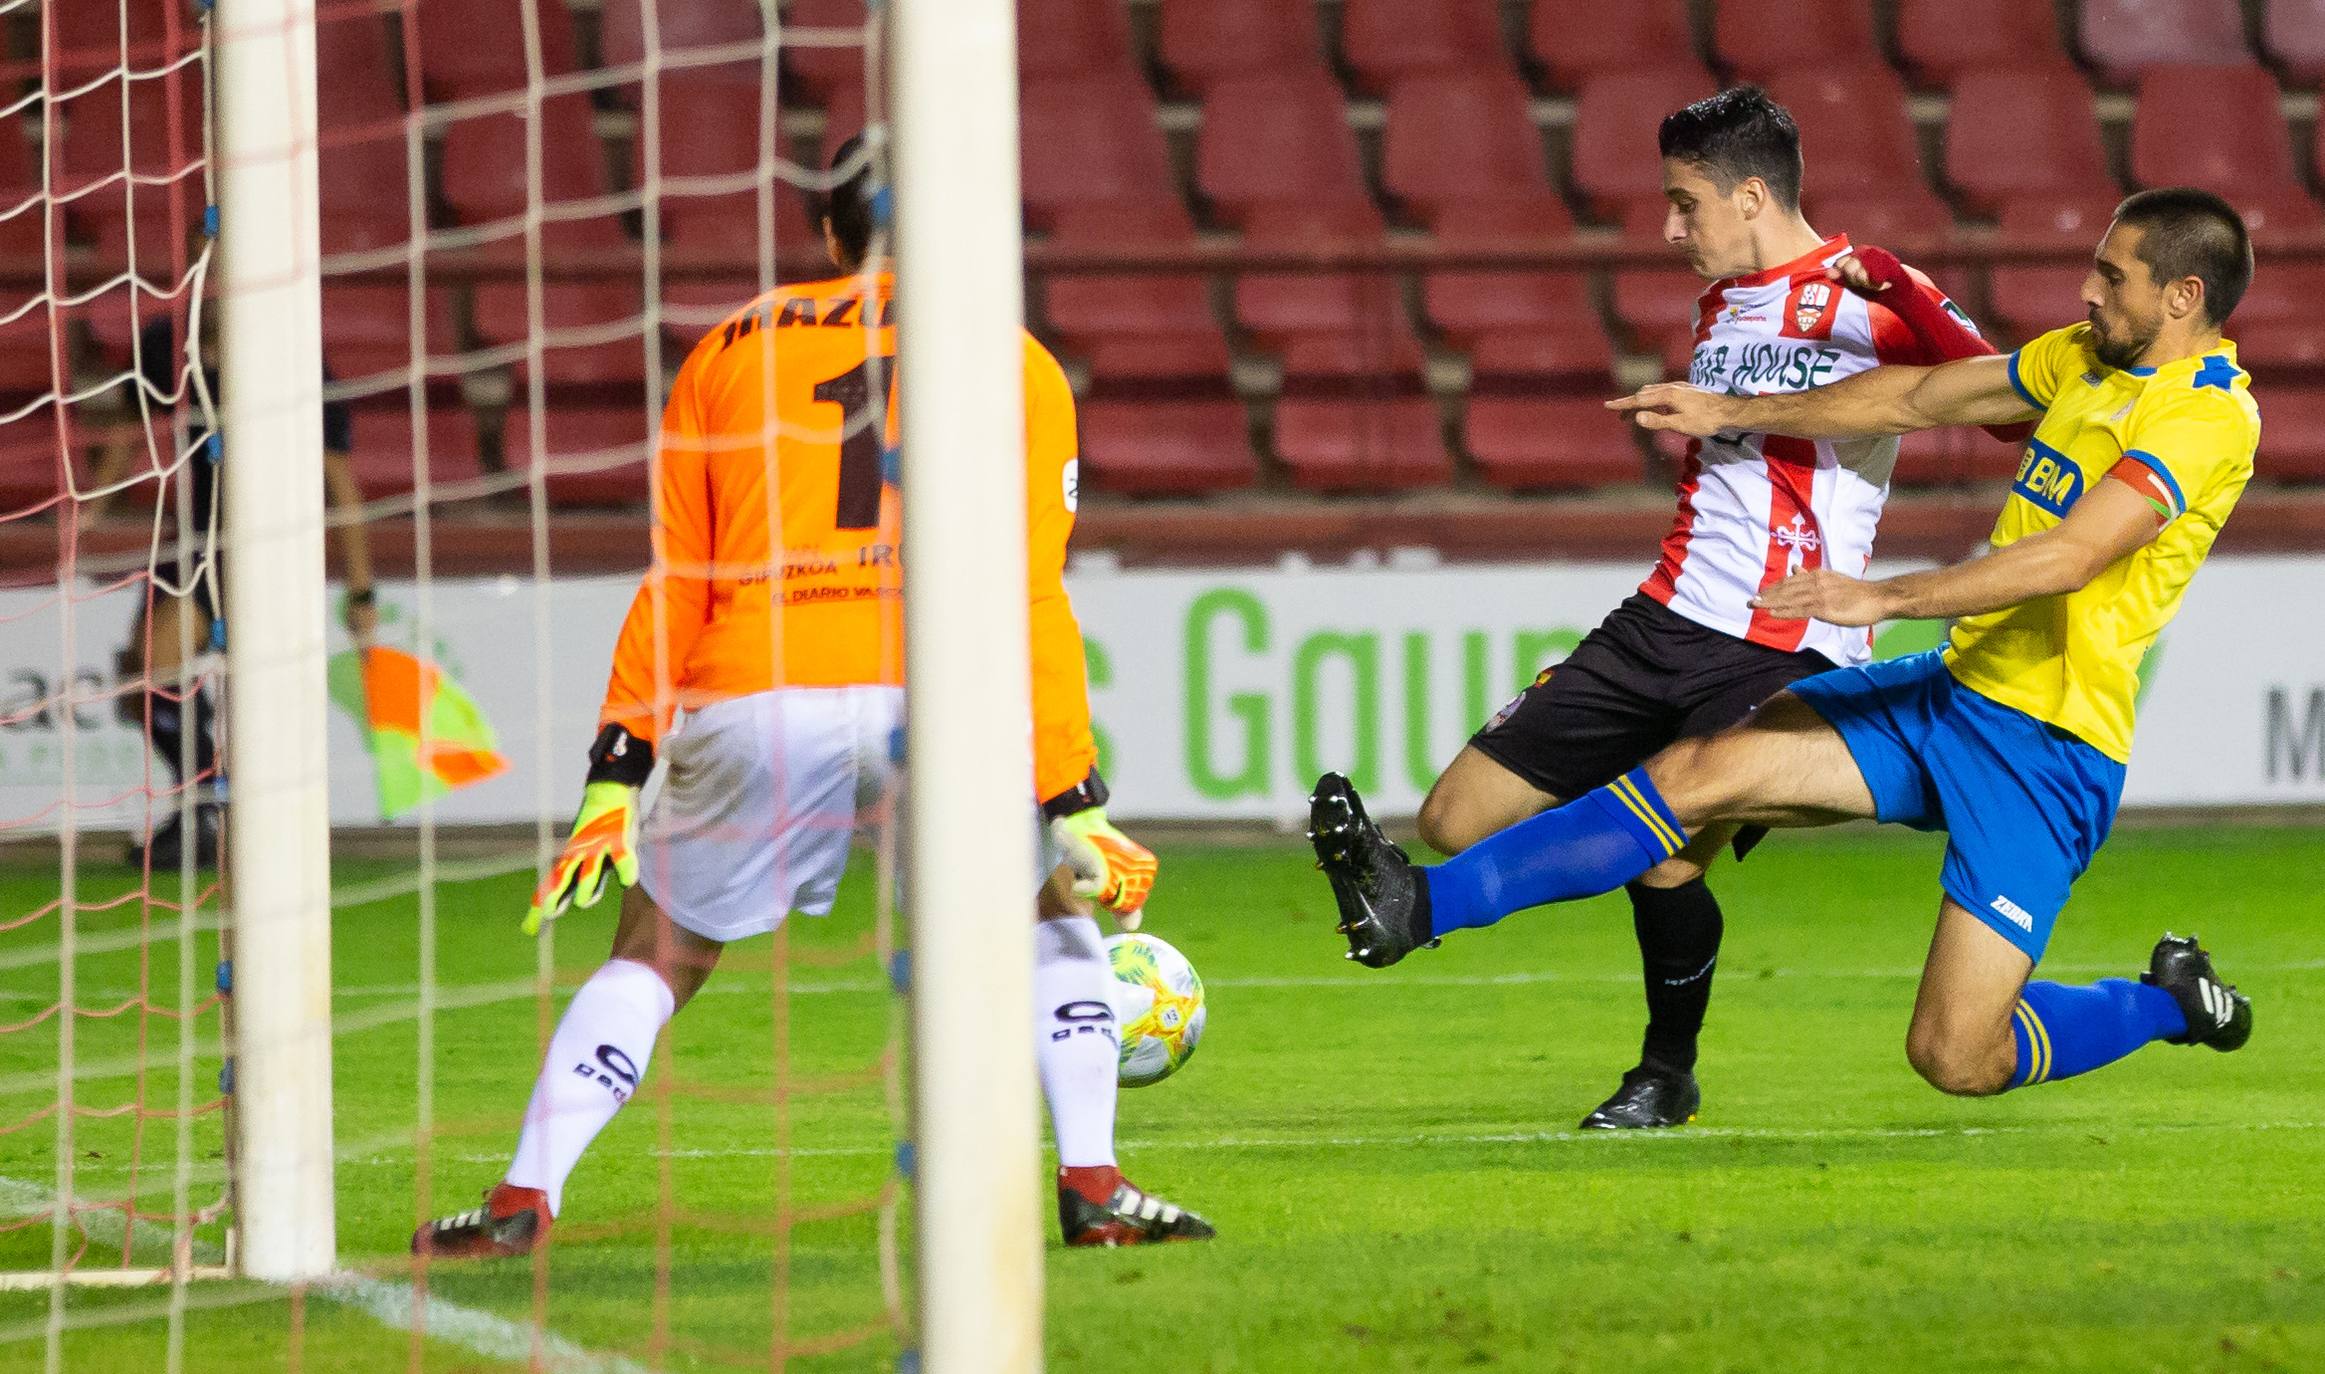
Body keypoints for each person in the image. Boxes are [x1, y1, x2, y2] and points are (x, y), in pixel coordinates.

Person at [414, 141, 1212, 1259]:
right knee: (1050, 919)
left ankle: (520, 1203)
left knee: (660, 951)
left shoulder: (728, 350)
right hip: (934, 689)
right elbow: (1032, 595)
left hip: (759, 683)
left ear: (828, 236)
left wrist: (615, 772)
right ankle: (1092, 1184)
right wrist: (1072, 792)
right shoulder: (1016, 361)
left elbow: (677, 578)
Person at [1310, 186, 2259, 1099]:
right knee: (1693, 774)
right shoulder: (2082, 359)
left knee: (1955, 1056)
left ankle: (2165, 1003)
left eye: (2112, 276)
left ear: (2183, 297)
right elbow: (1917, 397)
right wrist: (1730, 412)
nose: (2088, 291)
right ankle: (1416, 904)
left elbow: (2070, 556)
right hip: (1950, 695)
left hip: (2045, 751)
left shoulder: (2206, 415)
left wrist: (1881, 594)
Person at [1413, 87, 2027, 1129]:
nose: (1668, 228)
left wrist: (1908, 288)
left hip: (1785, 637)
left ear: (1750, 194)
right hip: (1664, 617)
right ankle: (1447, 903)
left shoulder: (1861, 301)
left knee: (1661, 851)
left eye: (1684, 203)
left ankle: (1665, 1071)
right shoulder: (1715, 310)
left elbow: (2015, 404)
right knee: (1449, 819)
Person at [81, 314, 373, 869]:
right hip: (191, 536)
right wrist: (90, 508)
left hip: (259, 544)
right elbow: (127, 427)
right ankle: (206, 809)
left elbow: (340, 481)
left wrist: (362, 593)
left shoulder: (292, 353)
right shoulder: (167, 342)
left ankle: (213, 809)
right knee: (140, 685)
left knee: (161, 671)